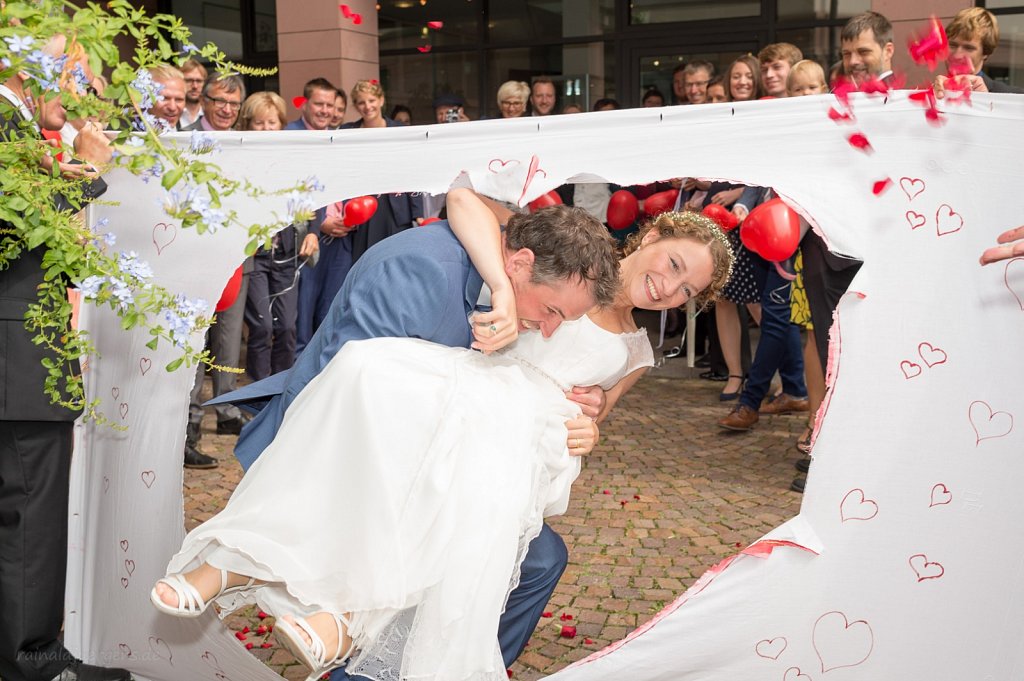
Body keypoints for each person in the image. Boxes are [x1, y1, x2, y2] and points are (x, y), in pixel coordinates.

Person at [154, 197, 733, 681]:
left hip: (518, 437)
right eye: (676, 263)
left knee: (486, 531)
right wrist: (505, 295)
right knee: (402, 436)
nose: (671, 286)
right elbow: (464, 200)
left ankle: (348, 623)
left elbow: (592, 413)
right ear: (653, 233)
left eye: (688, 290)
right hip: (460, 394)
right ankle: (319, 606)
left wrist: (592, 421)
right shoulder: (570, 248)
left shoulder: (635, 349)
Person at [1, 47, 132, 681]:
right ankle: (33, 661)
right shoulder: (5, 123)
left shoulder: (23, 127)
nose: (80, 96)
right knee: (32, 509)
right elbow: (10, 233)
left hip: (21, 343)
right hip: (16, 350)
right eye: (76, 76)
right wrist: (86, 172)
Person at [182, 73, 250, 467]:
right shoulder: (184, 140)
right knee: (194, 346)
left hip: (237, 256)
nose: (226, 109)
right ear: (204, 100)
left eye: (233, 103)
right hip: (195, 259)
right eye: (219, 101)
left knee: (227, 342)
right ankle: (188, 430)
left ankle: (225, 411)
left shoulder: (245, 143)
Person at [238, 92, 319, 382]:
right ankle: (256, 392)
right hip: (255, 255)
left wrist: (313, 232)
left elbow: (313, 198)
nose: (266, 128)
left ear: (281, 124)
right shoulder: (239, 160)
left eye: (272, 122)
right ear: (247, 125)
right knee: (262, 327)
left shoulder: (291, 160)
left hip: (287, 253)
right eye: (258, 123)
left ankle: (280, 388)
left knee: (286, 327)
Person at [341, 81, 425, 264]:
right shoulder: (347, 131)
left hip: (394, 206)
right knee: (364, 261)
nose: (367, 106)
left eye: (371, 100)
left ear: (381, 100)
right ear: (355, 106)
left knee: (395, 260)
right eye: (361, 102)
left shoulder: (400, 130)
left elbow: (412, 171)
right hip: (361, 205)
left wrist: (418, 212)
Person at [935, 8, 1024, 98]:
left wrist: (985, 101)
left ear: (986, 52)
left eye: (968, 48)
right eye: (952, 45)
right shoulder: (933, 94)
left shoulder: (1013, 98)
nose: (957, 55)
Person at [840, 11, 894, 86]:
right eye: (847, 54)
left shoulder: (898, 96)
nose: (853, 61)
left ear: (888, 51)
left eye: (863, 52)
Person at [147, 64, 186, 130]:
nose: (172, 107)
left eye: (179, 99)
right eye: (164, 98)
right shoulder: (126, 137)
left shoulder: (190, 137)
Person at [179, 57, 207, 128]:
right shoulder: (172, 112)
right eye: (189, 81)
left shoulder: (209, 114)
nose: (195, 86)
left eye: (199, 81)